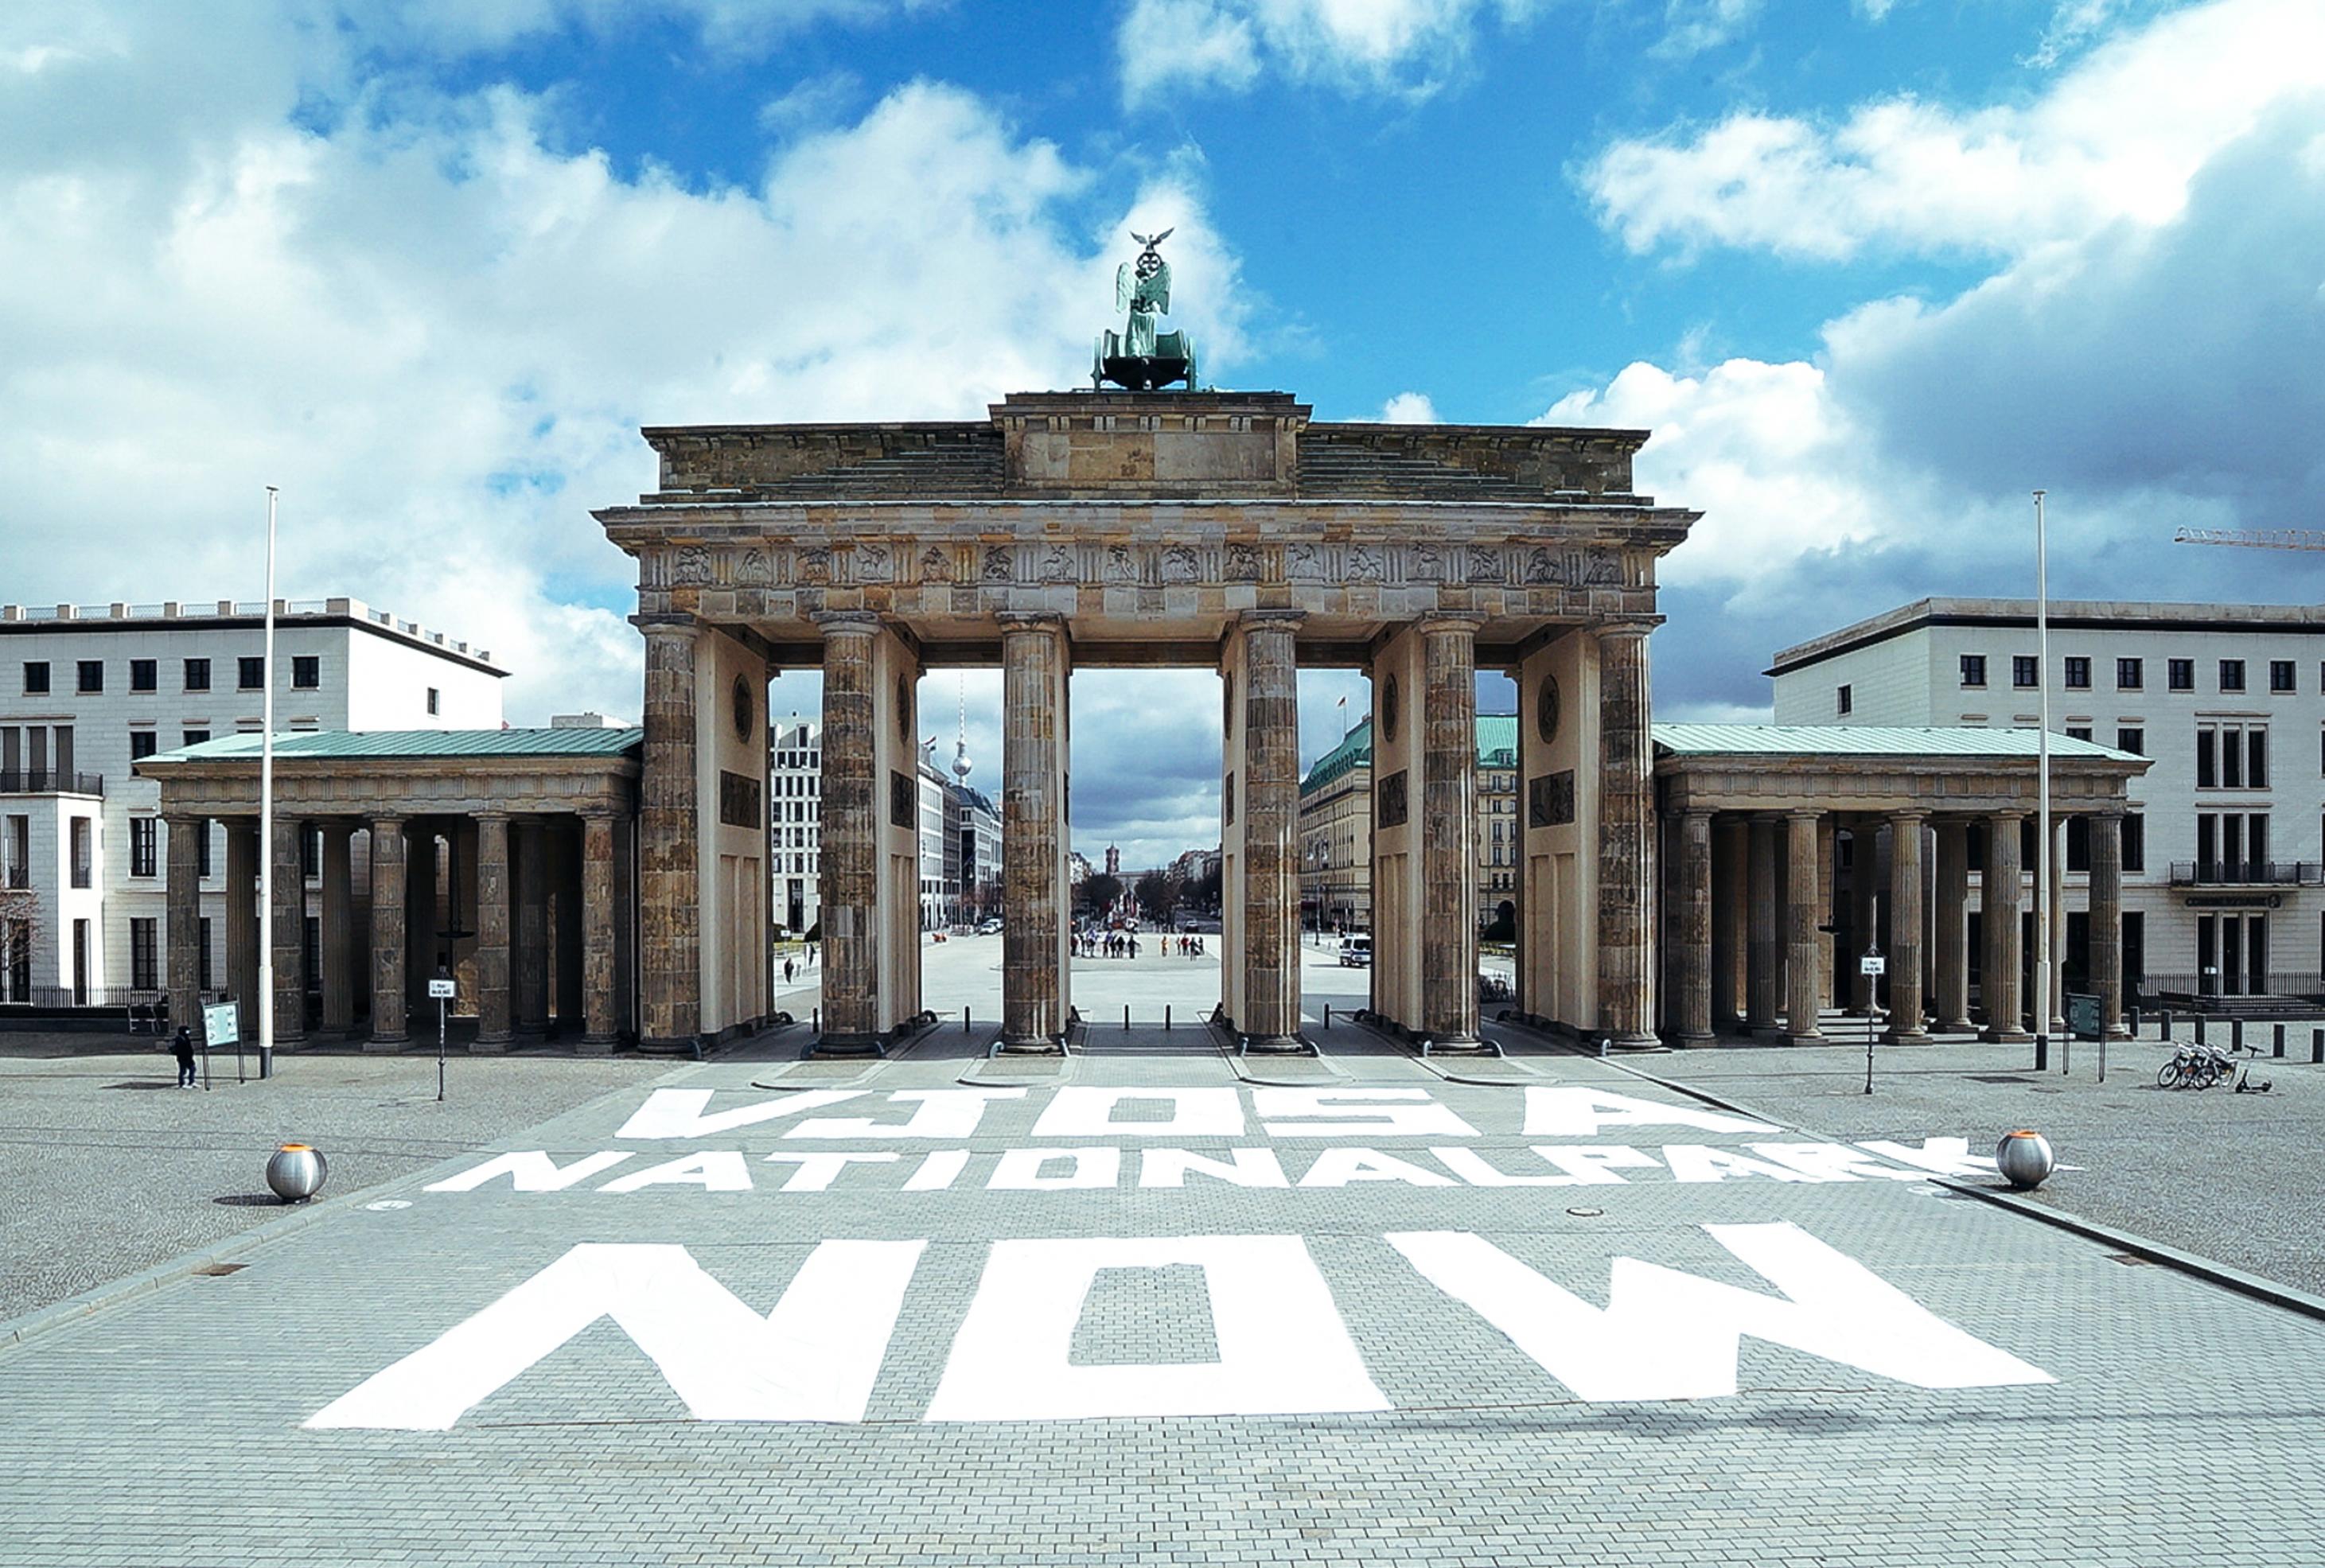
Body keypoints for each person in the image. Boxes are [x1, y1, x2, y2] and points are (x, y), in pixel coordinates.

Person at [171, 1025, 197, 1089]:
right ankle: (182, 1083)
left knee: (193, 1069)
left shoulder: (186, 1037)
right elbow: (181, 1049)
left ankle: (192, 1081)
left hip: (189, 1057)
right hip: (183, 1058)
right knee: (183, 1071)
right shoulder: (179, 1038)